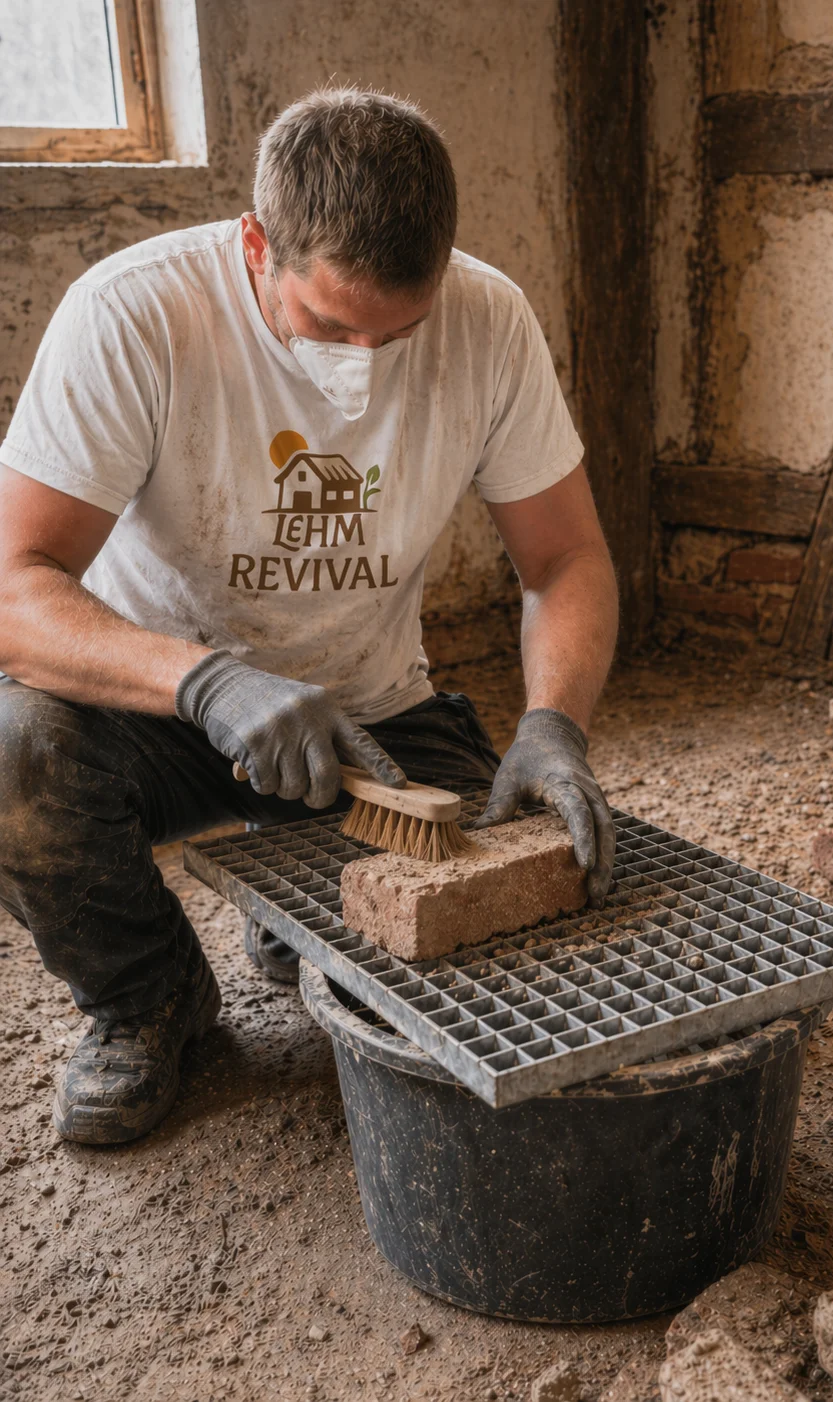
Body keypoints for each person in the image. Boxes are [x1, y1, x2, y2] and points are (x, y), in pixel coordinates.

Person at [0, 87, 618, 1146]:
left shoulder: (489, 320)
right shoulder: (134, 314)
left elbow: (564, 557)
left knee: (493, 913)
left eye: (399, 331)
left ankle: (304, 914)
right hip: (164, 708)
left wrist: (555, 723)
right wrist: (209, 681)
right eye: (330, 324)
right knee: (11, 755)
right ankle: (152, 1000)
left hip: (371, 715)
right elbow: (14, 583)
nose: (362, 363)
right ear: (255, 245)